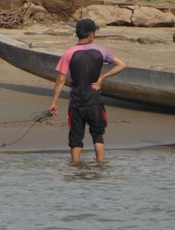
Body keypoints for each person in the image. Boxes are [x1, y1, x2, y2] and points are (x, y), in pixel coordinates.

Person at [49, 18, 126, 163]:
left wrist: (54, 102)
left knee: (76, 137)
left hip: (77, 103)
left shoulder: (69, 53)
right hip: (95, 101)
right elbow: (121, 65)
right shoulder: (101, 50)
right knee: (98, 134)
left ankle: (75, 165)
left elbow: (60, 80)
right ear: (91, 34)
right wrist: (102, 78)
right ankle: (100, 164)